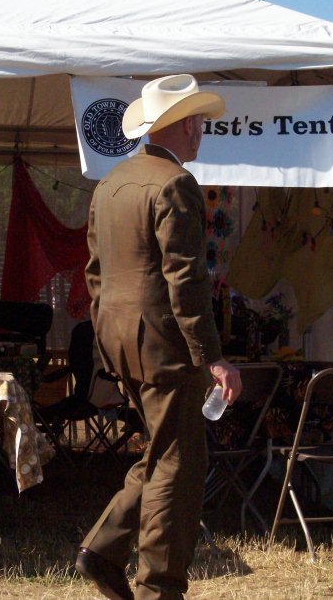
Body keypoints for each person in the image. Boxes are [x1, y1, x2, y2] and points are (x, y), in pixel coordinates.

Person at [76, 74, 242, 600]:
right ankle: (158, 589)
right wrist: (213, 358)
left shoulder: (111, 183)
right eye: (199, 123)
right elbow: (185, 281)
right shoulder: (174, 184)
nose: (202, 133)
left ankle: (101, 551)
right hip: (166, 346)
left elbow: (94, 275)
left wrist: (109, 341)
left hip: (122, 344)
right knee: (179, 464)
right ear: (185, 124)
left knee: (162, 452)